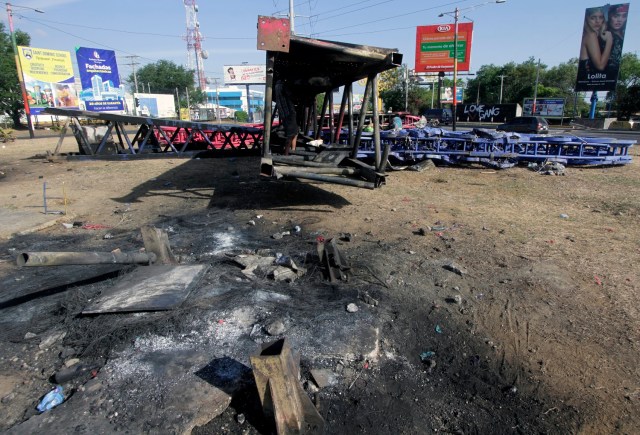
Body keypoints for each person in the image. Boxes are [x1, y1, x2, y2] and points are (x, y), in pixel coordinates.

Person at [578, 6, 613, 76]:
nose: (597, 21)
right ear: (587, 19)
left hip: (586, 82)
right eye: (593, 18)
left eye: (600, 17)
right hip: (589, 80)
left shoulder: (589, 34)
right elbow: (600, 66)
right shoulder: (591, 35)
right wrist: (609, 41)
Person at [274, 80, 298, 155]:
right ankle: (287, 152)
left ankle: (291, 150)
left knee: (293, 132)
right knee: (292, 134)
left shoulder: (276, 86)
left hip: (283, 114)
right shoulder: (283, 85)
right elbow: (289, 95)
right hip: (289, 113)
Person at [605, 4, 628, 76]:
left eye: (624, 16)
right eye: (616, 16)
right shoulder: (604, 37)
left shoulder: (622, 36)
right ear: (609, 17)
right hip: (604, 76)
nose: (620, 20)